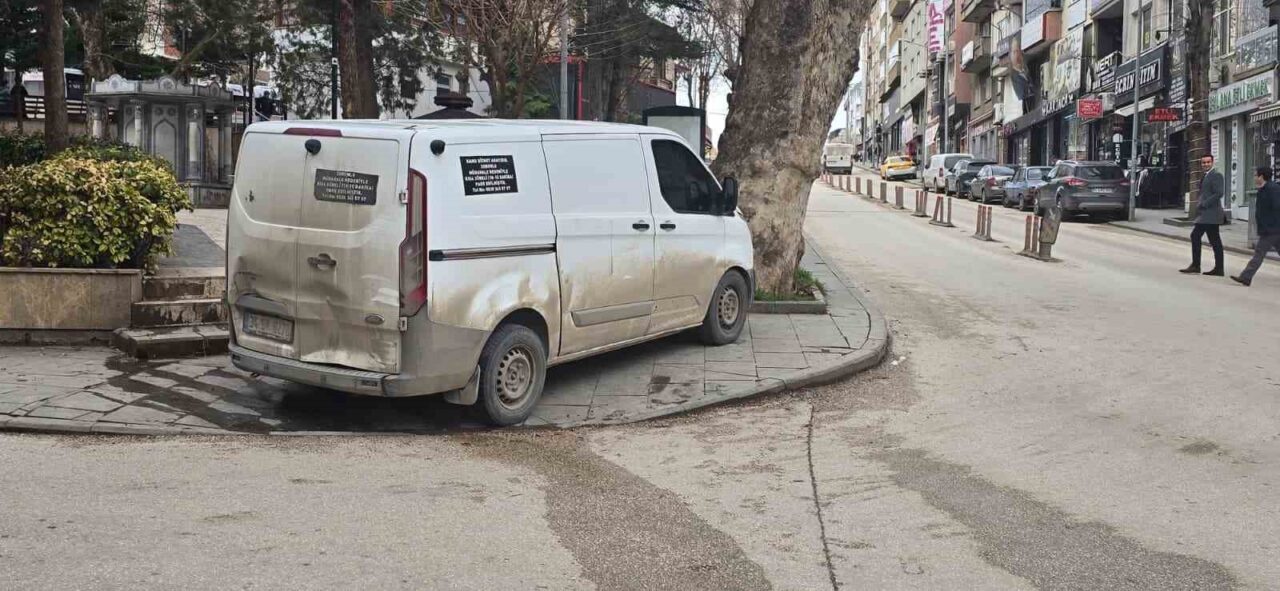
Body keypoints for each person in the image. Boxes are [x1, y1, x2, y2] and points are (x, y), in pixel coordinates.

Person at [1231, 167, 1280, 286]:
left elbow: (1277, 207)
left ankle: (1246, 277)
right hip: (1269, 228)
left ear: (1261, 176)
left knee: (1259, 253)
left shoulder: (1273, 189)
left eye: (1255, 175)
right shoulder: (1263, 189)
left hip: (1272, 229)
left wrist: (1271, 225)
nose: (1254, 177)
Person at [1181, 154, 1226, 276]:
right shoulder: (1206, 176)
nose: (1206, 164)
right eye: (1203, 163)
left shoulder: (1216, 175)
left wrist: (1204, 204)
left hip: (1211, 214)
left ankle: (1197, 265)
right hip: (1206, 214)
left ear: (1212, 162)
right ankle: (1217, 268)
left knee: (1197, 236)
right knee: (1214, 240)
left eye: (1208, 162)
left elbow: (1219, 193)